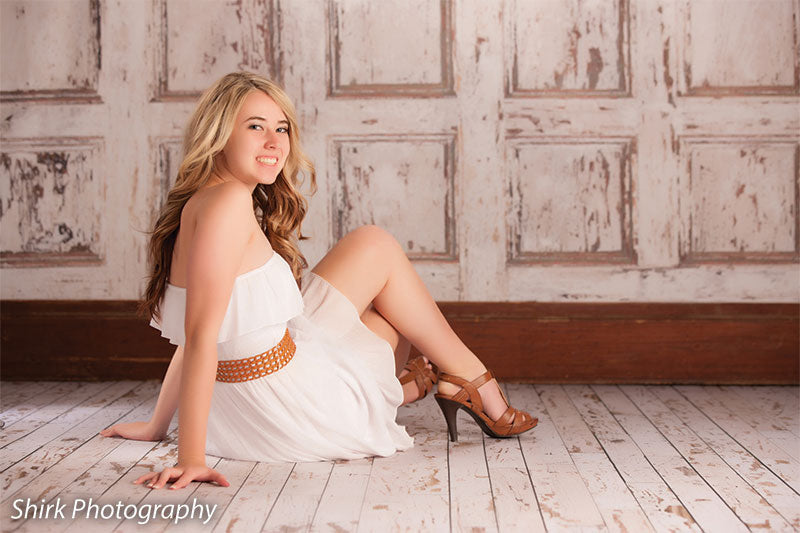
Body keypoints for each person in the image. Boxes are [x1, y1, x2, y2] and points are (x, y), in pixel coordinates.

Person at [99, 71, 537, 491]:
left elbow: (198, 330)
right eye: (255, 126)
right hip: (291, 409)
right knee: (389, 311)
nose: (275, 143)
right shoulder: (228, 202)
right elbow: (199, 337)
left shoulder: (204, 200)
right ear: (219, 133)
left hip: (236, 413)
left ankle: (432, 383)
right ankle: (460, 382)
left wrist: (158, 426)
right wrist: (191, 459)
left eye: (282, 129)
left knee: (373, 252)